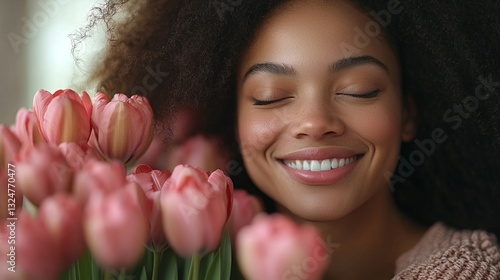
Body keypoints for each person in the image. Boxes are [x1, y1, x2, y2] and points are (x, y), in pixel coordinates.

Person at [77, 0, 500, 278]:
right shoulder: (192, 263)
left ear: (408, 113)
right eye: (270, 97)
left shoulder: (468, 268)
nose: (315, 123)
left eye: (358, 91)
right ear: (233, 122)